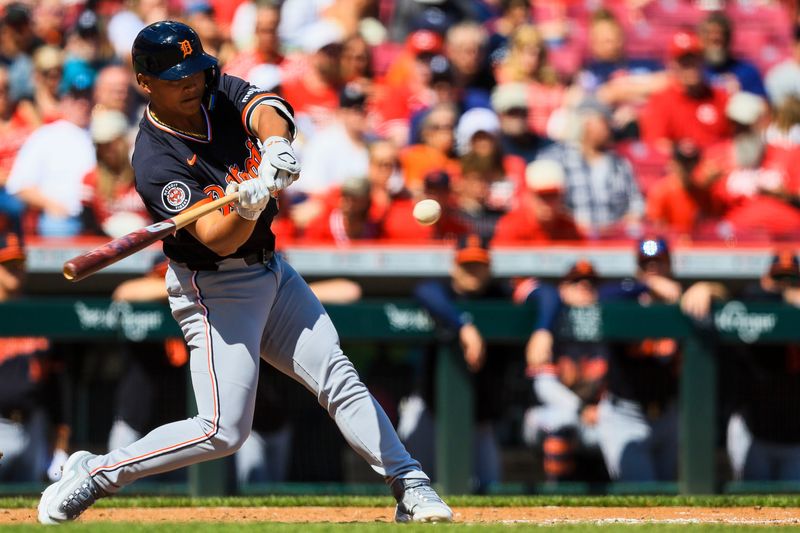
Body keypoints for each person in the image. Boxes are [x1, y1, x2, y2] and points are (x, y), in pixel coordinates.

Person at [37, 21, 452, 525]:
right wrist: (247, 208)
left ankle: (410, 483)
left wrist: (276, 147)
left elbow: (267, 107)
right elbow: (217, 237)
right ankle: (97, 472)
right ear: (145, 83)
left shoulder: (213, 89)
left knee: (336, 374)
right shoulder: (154, 159)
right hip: (215, 286)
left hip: (271, 269)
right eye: (176, 78)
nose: (192, 83)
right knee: (221, 430)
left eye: (195, 72)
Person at [403, 234, 559, 491]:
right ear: (454, 267)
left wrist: (543, 330)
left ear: (489, 267)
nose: (473, 271)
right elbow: (423, 291)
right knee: (415, 485)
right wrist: (463, 326)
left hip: (480, 419)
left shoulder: (500, 294)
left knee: (488, 490)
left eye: (479, 265)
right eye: (467, 265)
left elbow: (546, 292)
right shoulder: (442, 291)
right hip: (431, 410)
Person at [522, 260, 608, 482]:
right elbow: (545, 388)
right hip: (546, 415)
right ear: (563, 288)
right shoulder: (550, 318)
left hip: (595, 416)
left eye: (590, 283)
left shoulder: (606, 321)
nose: (584, 287)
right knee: (563, 419)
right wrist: (582, 409)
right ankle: (556, 490)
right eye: (576, 282)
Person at [0, 223, 70, 484]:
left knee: (31, 498)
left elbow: (56, 385)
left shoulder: (38, 315)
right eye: (7, 264)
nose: (15, 270)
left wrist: (60, 440)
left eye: (19, 263)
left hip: (33, 426)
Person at [725, 250, 800, 481]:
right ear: (766, 279)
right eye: (779, 278)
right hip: (754, 428)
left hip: (794, 435)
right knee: (752, 495)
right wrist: (785, 299)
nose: (785, 284)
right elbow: (739, 300)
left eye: (792, 279)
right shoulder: (753, 301)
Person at [537, 99, 644, 238]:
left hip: (614, 243)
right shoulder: (554, 159)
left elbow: (636, 205)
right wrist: (579, 227)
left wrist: (618, 228)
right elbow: (545, 207)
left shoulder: (620, 164)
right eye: (606, 123)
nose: (611, 130)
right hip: (571, 241)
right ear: (588, 124)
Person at [6, 74, 96, 237]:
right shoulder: (46, 135)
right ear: (64, 101)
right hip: (64, 218)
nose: (83, 103)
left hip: (99, 214)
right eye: (76, 98)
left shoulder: (103, 132)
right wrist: (52, 206)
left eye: (87, 97)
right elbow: (18, 185)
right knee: (57, 226)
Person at [640, 31, 731, 154]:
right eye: (685, 62)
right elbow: (656, 144)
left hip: (719, 161)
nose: (691, 67)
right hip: (682, 163)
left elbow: (735, 140)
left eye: (695, 60)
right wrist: (681, 152)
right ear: (673, 65)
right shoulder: (661, 101)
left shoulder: (720, 97)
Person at [493, 159, 582, 244]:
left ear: (562, 196)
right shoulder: (511, 227)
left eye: (552, 195)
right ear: (528, 195)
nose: (546, 204)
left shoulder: (572, 230)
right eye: (541, 196)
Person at [698, 12, 766, 97]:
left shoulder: (747, 71)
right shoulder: (693, 71)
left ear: (729, 38)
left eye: (721, 33)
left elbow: (761, 103)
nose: (715, 38)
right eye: (708, 33)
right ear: (700, 38)